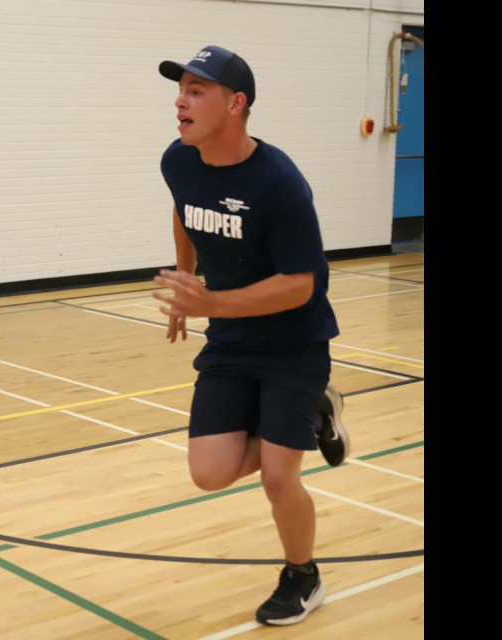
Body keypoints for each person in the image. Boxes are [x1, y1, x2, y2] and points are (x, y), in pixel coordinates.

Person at [152, 46, 350, 626]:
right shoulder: (178, 159)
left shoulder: (279, 182)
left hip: (294, 344)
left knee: (278, 476)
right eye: (181, 89)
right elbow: (183, 209)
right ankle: (312, 417)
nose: (180, 100)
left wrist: (211, 300)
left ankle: (302, 576)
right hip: (233, 344)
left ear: (235, 105)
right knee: (209, 472)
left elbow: (299, 285)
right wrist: (186, 273)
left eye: (196, 90)